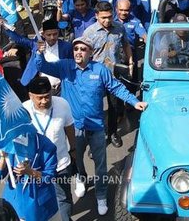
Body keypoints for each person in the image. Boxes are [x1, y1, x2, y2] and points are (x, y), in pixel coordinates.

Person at [34, 37, 148, 216]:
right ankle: (81, 178)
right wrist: (39, 52)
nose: (78, 52)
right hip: (73, 127)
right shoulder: (64, 66)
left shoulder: (100, 69)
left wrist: (134, 102)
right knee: (76, 160)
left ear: (91, 53)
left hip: (95, 126)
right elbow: (42, 66)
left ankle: (101, 195)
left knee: (101, 165)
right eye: (76, 48)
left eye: (83, 49)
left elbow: (116, 88)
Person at [23, 76, 76, 221]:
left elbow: (69, 128)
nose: (44, 101)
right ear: (30, 96)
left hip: (61, 164)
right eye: (39, 98)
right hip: (35, 169)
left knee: (64, 198)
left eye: (47, 96)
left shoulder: (62, 104)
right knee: (40, 201)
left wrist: (73, 150)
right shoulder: (23, 110)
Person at [82, 1, 133, 148]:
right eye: (103, 17)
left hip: (114, 76)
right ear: (96, 16)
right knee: (95, 109)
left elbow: (126, 45)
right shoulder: (89, 33)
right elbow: (84, 56)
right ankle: (95, 140)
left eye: (110, 17)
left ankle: (112, 133)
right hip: (95, 77)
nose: (107, 20)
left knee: (114, 107)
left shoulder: (119, 27)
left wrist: (130, 63)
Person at [0, 132, 59, 221]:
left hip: (42, 207)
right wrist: (3, 158)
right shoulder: (8, 143)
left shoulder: (45, 145)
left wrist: (30, 172)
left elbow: (50, 177)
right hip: (15, 205)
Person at [0, 19, 73, 90]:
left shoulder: (66, 47)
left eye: (55, 34)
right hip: (40, 87)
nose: (52, 37)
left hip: (60, 88)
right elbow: (19, 39)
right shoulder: (36, 45)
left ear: (58, 32)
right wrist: (4, 26)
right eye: (49, 35)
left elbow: (71, 66)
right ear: (43, 35)